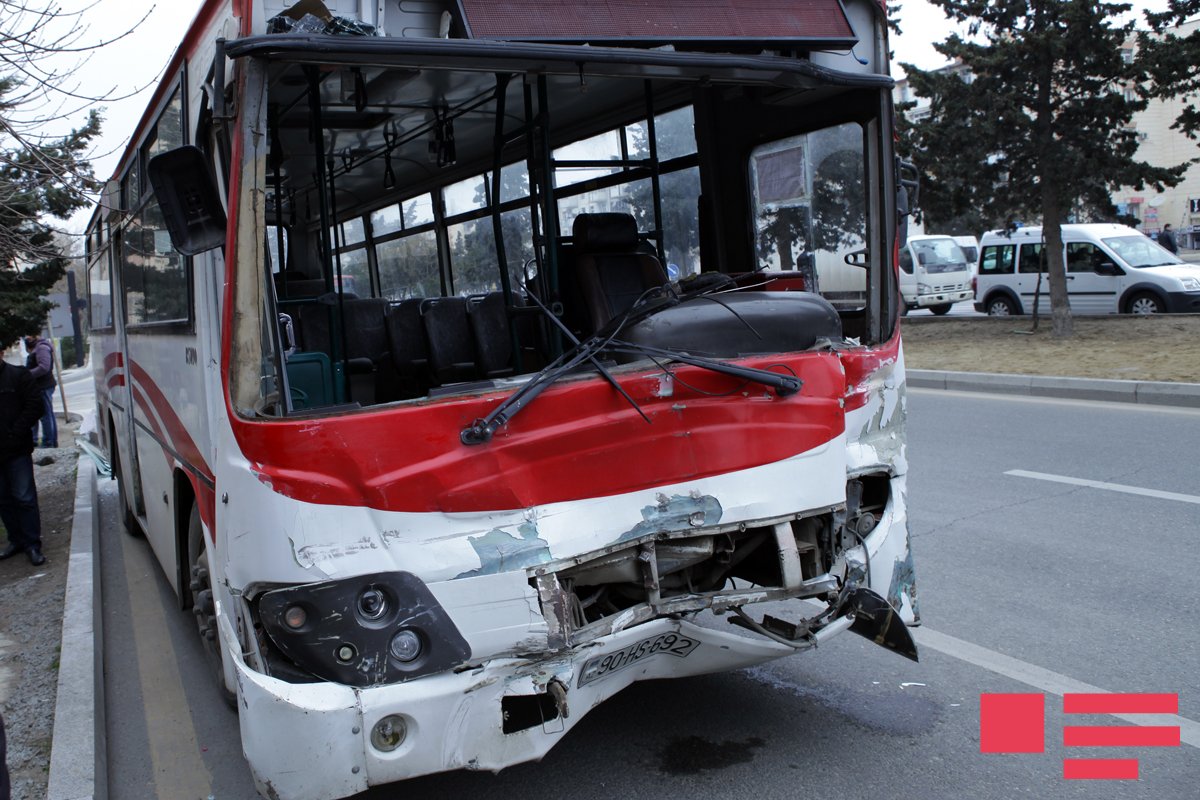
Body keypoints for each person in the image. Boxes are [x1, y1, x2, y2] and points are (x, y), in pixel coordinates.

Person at [0, 357, 46, 566]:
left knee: (24, 497)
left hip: (16, 450)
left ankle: (32, 544)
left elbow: (35, 406)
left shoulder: (18, 375)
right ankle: (16, 540)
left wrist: (15, 433)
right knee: (3, 500)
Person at [23, 332, 56, 448]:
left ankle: (48, 442)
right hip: (40, 386)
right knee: (43, 414)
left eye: (29, 335)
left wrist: (27, 375)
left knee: (45, 415)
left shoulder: (41, 348)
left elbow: (44, 367)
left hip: (44, 386)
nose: (27, 337)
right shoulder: (37, 347)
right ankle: (45, 440)